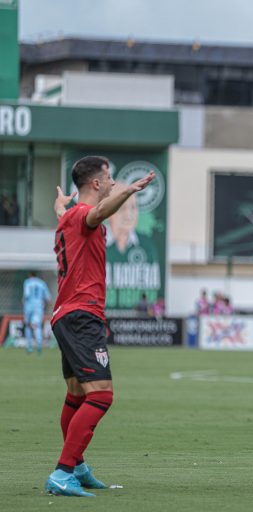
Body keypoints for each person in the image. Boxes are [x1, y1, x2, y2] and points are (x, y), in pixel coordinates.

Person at [45, 155, 155, 497]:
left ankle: (76, 467)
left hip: (66, 313)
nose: (112, 183)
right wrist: (130, 191)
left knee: (77, 395)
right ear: (95, 183)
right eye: (108, 178)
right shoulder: (85, 215)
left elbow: (70, 213)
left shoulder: (68, 217)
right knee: (102, 395)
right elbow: (96, 213)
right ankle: (63, 472)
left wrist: (60, 205)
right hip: (81, 314)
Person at [23, 271, 51, 354]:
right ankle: (39, 346)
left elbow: (26, 294)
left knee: (28, 326)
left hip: (28, 306)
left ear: (30, 275)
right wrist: (45, 306)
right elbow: (48, 298)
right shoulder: (42, 283)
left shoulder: (27, 282)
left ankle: (29, 347)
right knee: (37, 326)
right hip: (39, 307)